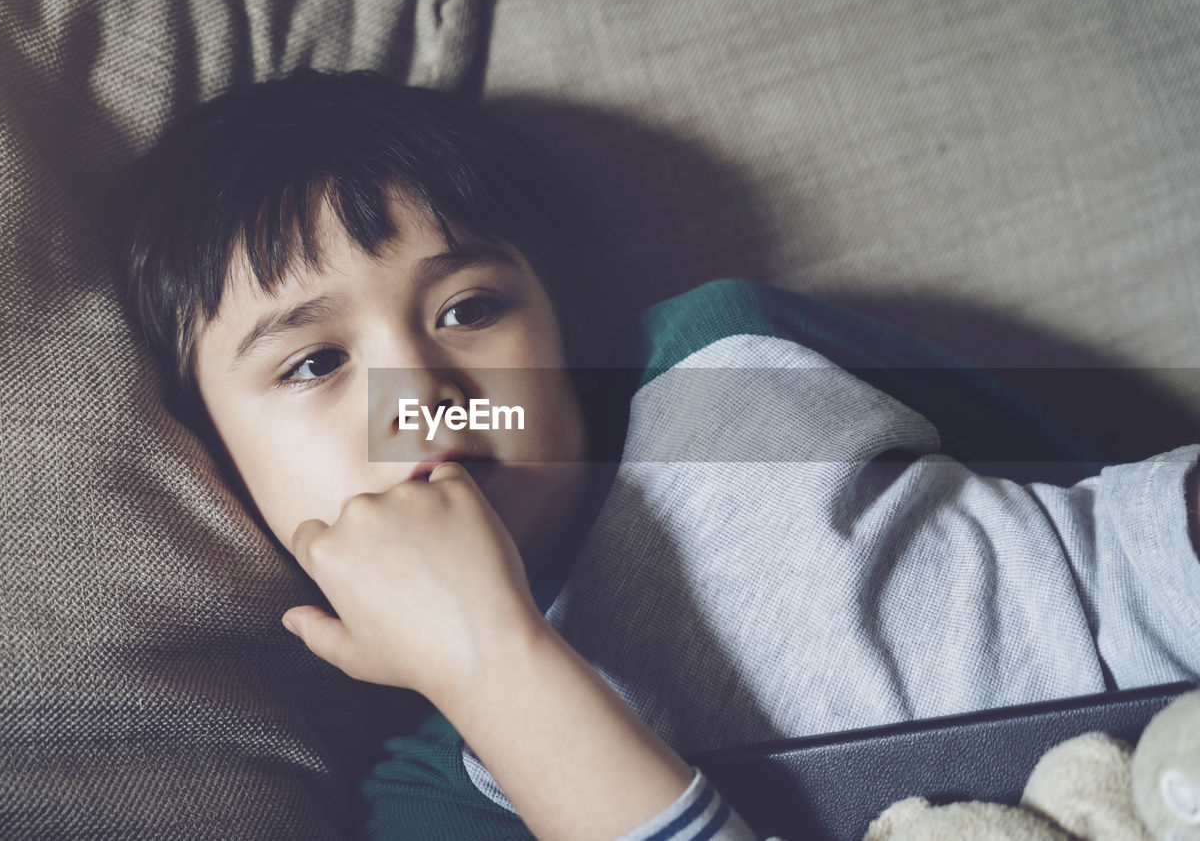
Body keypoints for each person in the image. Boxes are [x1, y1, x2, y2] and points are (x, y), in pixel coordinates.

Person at [120, 68, 1200, 839]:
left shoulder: (719, 360)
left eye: (470, 307)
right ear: (219, 460)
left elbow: (1057, 464)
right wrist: (491, 664)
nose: (422, 394)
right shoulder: (447, 796)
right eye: (312, 364)